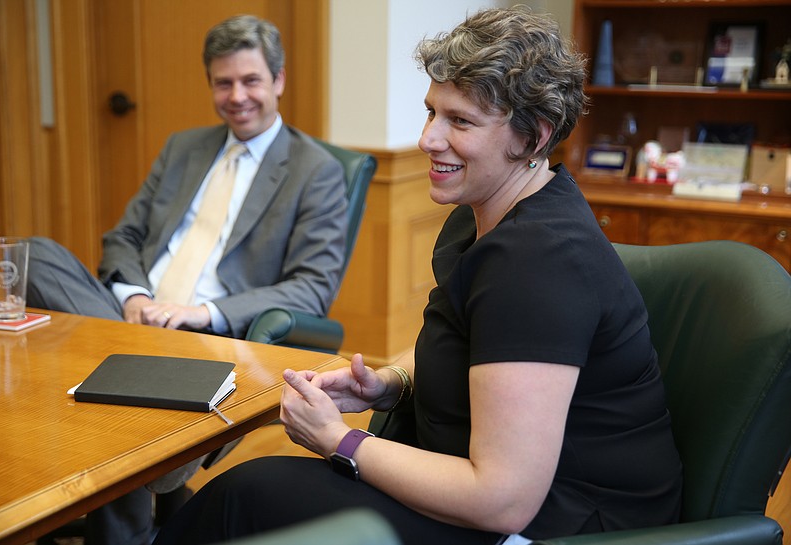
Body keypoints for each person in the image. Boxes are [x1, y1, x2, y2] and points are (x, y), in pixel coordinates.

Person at [153, 6, 683, 545]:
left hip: (561, 526)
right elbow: (469, 345)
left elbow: (502, 500)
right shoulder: (485, 219)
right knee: (247, 495)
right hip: (488, 490)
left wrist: (339, 440)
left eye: (460, 121)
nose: (429, 138)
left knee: (246, 498)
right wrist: (389, 384)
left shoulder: (539, 264)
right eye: (432, 112)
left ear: (533, 137)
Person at [27, 14, 347, 545]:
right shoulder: (184, 148)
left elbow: (312, 286)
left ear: (280, 81)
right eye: (224, 83)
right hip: (124, 317)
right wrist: (134, 296)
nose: (237, 96)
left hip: (205, 340)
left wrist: (202, 314)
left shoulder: (315, 170)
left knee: (111, 386)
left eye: (251, 81)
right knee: (35, 254)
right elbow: (123, 238)